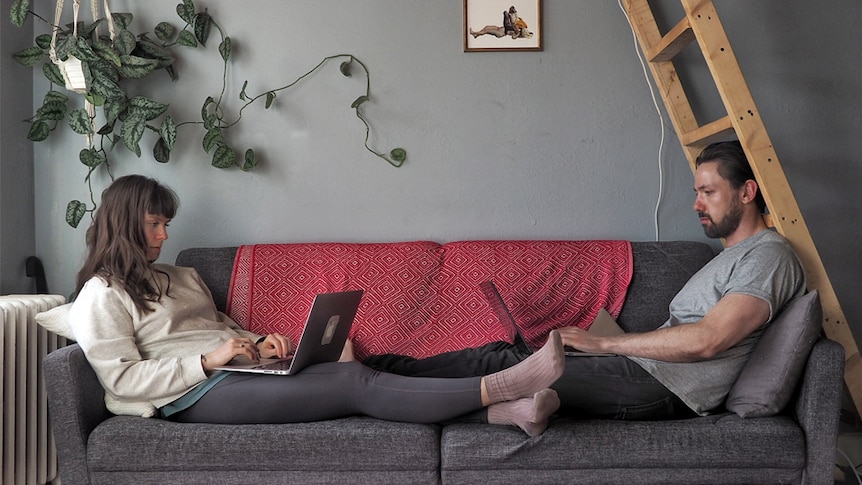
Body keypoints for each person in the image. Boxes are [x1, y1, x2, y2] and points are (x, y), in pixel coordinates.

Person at [68, 174, 566, 437]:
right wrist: (206, 362)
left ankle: (510, 413)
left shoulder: (182, 275)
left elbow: (227, 328)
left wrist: (261, 344)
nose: (165, 234)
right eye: (156, 224)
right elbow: (122, 379)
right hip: (196, 395)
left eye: (165, 223)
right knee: (353, 382)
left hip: (245, 371)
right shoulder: (101, 295)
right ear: (125, 224)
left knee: (378, 365)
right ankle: (507, 385)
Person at [358, 140, 806, 420]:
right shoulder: (730, 256)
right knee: (500, 353)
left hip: (662, 387)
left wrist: (605, 344)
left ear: (747, 193)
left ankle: (364, 378)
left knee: (498, 369)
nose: (696, 205)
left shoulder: (769, 256)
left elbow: (709, 341)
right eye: (696, 193)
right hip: (644, 371)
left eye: (708, 192)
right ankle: (369, 374)